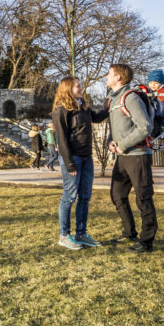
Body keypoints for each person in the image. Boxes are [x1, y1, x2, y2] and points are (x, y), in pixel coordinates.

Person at [102, 63, 157, 253]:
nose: (106, 77)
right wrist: (111, 141)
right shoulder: (113, 100)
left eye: (109, 74)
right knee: (117, 195)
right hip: (123, 157)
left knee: (143, 198)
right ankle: (129, 233)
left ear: (118, 77)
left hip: (138, 156)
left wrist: (123, 145)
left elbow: (145, 127)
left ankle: (146, 241)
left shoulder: (130, 97)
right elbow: (117, 128)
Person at [51, 76, 104, 250]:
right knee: (69, 196)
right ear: (67, 89)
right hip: (72, 159)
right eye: (76, 86)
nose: (80, 88)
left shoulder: (83, 107)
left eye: (80, 85)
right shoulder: (61, 111)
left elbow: (97, 117)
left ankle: (81, 233)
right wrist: (69, 164)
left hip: (87, 158)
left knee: (85, 196)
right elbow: (62, 141)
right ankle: (64, 235)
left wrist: (111, 105)